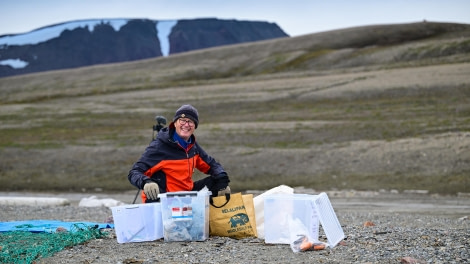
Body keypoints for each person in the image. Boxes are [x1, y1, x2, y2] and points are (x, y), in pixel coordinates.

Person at [128, 104, 231, 203]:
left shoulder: (192, 145)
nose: (186, 124)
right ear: (175, 123)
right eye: (182, 120)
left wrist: (222, 180)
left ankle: (210, 217)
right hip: (165, 200)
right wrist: (146, 182)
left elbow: (211, 164)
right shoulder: (159, 147)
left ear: (195, 126)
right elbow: (134, 172)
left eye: (190, 121)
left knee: (218, 181)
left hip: (186, 195)